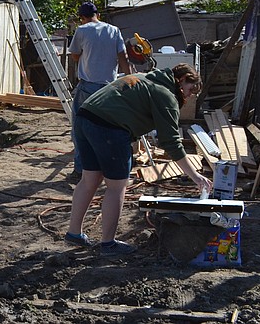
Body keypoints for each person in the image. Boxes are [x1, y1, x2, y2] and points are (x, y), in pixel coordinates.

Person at [66, 64, 210, 257]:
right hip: (109, 127)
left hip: (85, 118)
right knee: (117, 186)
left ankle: (74, 233)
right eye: (191, 89)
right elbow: (171, 142)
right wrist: (195, 176)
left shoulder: (142, 77)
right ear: (182, 79)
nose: (190, 95)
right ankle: (108, 244)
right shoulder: (165, 94)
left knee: (89, 180)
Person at [68, 1, 129, 180]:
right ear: (98, 15)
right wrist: (130, 79)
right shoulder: (113, 30)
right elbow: (123, 56)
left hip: (88, 86)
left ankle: (80, 170)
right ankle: (108, 168)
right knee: (108, 128)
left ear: (82, 17)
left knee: (80, 130)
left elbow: (75, 55)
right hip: (110, 87)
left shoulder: (82, 30)